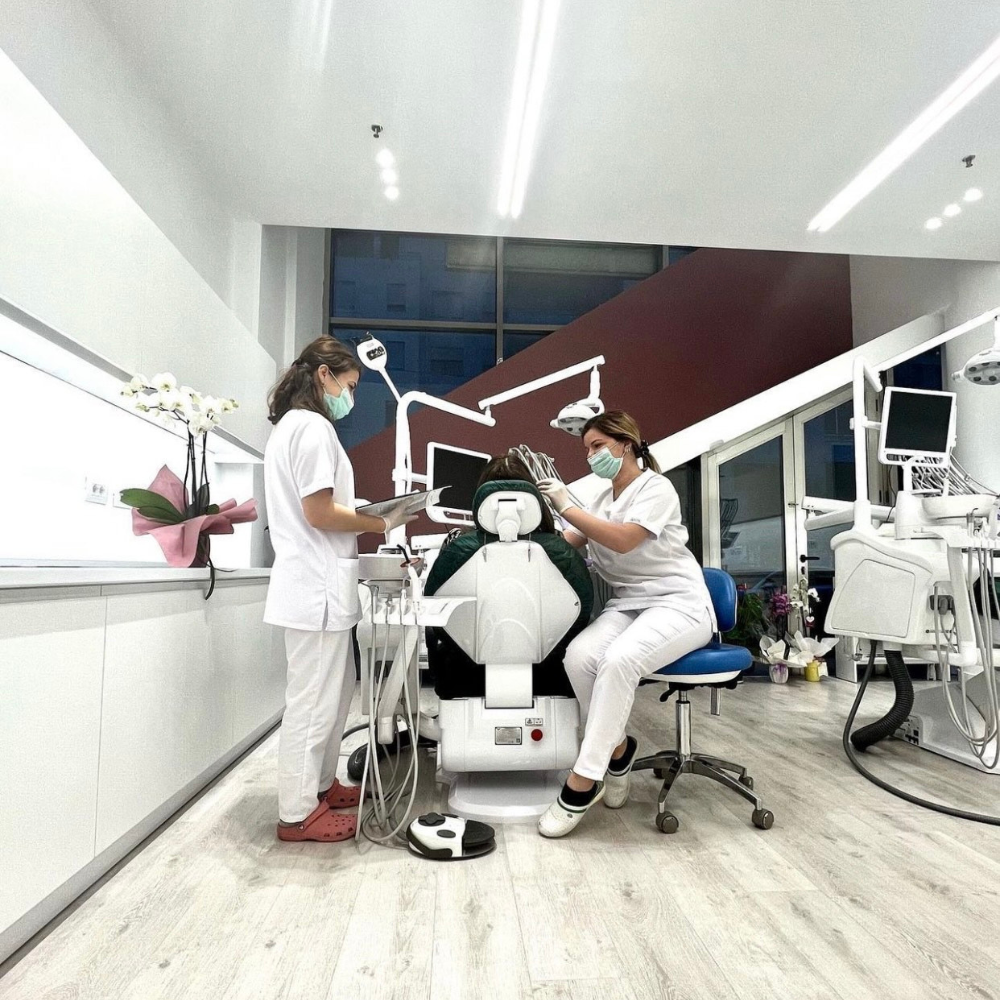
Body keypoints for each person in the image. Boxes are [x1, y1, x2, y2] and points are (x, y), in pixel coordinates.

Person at [263, 335, 416, 843]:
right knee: (311, 704)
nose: (350, 396)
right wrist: (382, 520)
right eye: (348, 385)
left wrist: (371, 515)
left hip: (321, 586)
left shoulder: (299, 428)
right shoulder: (308, 428)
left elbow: (321, 509)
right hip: (314, 590)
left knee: (331, 699)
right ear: (324, 376)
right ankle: (297, 814)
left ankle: (321, 788)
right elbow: (319, 512)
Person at [536, 410, 716, 838]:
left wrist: (566, 505)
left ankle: (582, 783)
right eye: (587, 450)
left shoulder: (657, 489)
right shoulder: (600, 501)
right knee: (579, 657)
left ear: (627, 444)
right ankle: (618, 751)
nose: (592, 456)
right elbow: (568, 542)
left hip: (679, 604)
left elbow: (622, 538)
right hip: (630, 604)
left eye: (598, 446)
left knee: (618, 660)